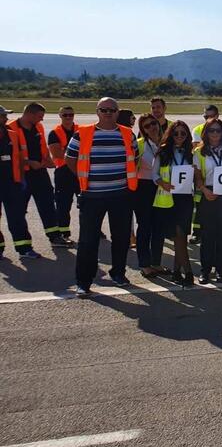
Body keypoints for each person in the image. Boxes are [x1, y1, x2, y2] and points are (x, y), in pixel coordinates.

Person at [64, 97, 139, 297]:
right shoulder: (83, 134)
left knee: (121, 238)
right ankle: (83, 281)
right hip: (92, 196)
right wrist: (86, 178)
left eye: (112, 110)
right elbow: (70, 160)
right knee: (88, 241)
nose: (108, 113)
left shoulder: (127, 134)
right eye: (104, 110)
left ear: (118, 112)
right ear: (97, 112)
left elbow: (135, 159)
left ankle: (118, 273)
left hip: (121, 195)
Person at [9, 103, 71, 251]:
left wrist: (48, 161)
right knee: (18, 210)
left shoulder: (38, 127)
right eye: (39, 117)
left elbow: (42, 147)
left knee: (48, 205)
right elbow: (10, 156)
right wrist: (29, 163)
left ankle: (54, 236)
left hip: (40, 173)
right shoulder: (11, 128)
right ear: (29, 114)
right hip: (21, 175)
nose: (41, 120)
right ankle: (23, 245)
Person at [152, 121, 195, 285]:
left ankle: (177, 272)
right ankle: (189, 272)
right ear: (171, 134)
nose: (179, 137)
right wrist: (162, 183)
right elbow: (154, 175)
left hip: (185, 198)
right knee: (178, 236)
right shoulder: (162, 152)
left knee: (181, 236)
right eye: (176, 133)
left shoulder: (191, 152)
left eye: (183, 134)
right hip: (169, 198)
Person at [195, 119, 222, 284]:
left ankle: (220, 270)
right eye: (211, 130)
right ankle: (205, 270)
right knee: (207, 236)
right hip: (208, 194)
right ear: (206, 132)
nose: (215, 134)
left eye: (218, 131)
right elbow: (197, 178)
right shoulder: (199, 152)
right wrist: (205, 191)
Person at [133, 113, 164, 278]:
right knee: (145, 227)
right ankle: (144, 264)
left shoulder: (166, 142)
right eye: (147, 126)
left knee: (159, 227)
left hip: (162, 188)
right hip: (143, 189)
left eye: (153, 123)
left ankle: (156, 262)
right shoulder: (139, 145)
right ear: (143, 130)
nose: (152, 127)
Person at [0, 106, 32, 261]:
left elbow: (18, 158)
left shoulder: (12, 135)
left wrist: (21, 178)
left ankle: (24, 248)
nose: (5, 118)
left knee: (17, 217)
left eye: (5, 115)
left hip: (11, 183)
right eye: (2, 116)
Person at [47, 105, 79, 242]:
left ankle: (94, 230)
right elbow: (56, 153)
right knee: (63, 204)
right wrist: (76, 154)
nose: (68, 117)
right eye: (65, 115)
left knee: (87, 203)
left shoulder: (81, 130)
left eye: (70, 114)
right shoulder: (55, 133)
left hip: (79, 171)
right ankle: (63, 232)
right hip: (63, 172)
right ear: (60, 116)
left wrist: (67, 151)